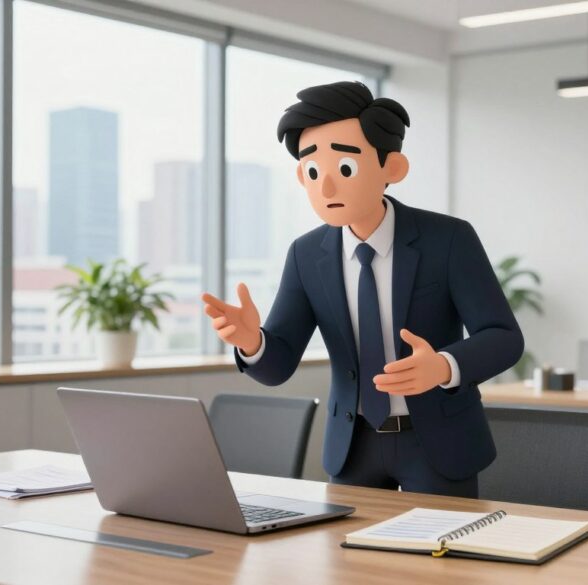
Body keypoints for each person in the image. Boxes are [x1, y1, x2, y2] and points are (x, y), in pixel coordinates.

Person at [202, 81, 522, 497]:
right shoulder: (306, 254)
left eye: (345, 168)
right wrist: (252, 343)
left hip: (439, 442)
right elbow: (278, 365)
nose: (327, 188)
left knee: (440, 559)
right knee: (350, 560)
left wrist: (443, 366)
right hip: (353, 447)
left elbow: (503, 337)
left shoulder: (449, 240)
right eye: (314, 172)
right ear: (302, 176)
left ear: (392, 167)